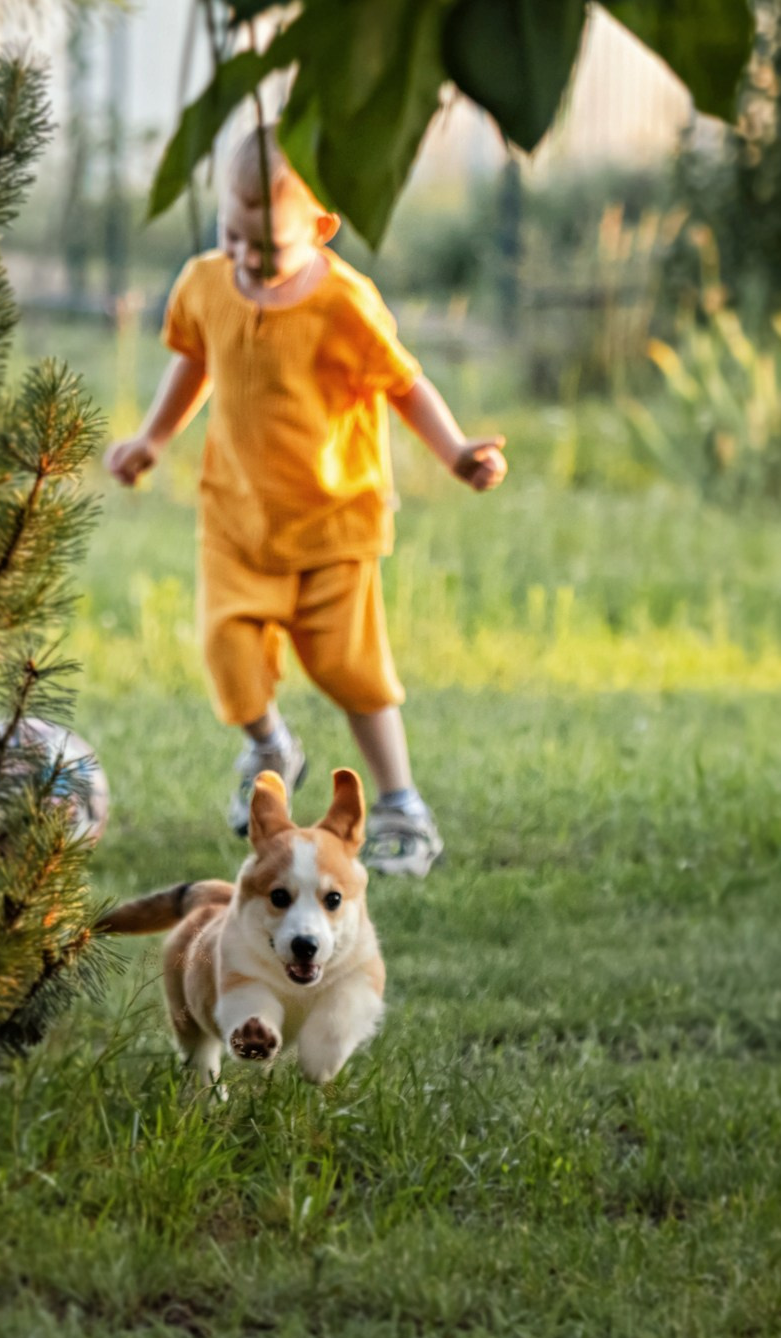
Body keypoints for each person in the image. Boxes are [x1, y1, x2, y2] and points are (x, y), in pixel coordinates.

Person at [103, 128, 507, 877]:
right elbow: (196, 362)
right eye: (234, 237)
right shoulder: (205, 283)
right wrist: (152, 438)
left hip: (333, 523)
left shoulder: (344, 303)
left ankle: (400, 805)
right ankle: (270, 747)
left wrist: (454, 452)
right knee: (228, 653)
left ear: (320, 226)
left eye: (269, 248)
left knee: (353, 670)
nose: (249, 260)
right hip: (237, 516)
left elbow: (405, 384)